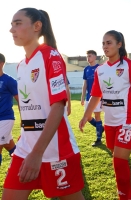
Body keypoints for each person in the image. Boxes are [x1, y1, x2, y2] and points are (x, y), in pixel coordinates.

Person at [2, 8, 85, 200]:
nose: (11, 30)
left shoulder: (51, 56)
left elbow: (58, 106)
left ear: (37, 26)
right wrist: (30, 149)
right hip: (25, 148)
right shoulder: (21, 66)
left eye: (18, 23)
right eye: (11, 24)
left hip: (56, 150)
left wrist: (37, 153)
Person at [79, 30, 131, 200]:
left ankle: (126, 197)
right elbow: (96, 95)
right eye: (103, 43)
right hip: (110, 122)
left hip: (129, 120)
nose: (105, 46)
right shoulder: (100, 70)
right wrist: (86, 116)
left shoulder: (130, 66)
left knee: (119, 161)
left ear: (119, 44)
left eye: (109, 42)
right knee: (116, 156)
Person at [81, 50, 104, 147]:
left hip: (97, 97)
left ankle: (98, 139)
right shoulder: (86, 69)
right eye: (87, 56)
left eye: (90, 56)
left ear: (95, 57)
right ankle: (100, 128)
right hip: (88, 97)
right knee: (88, 116)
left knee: (97, 116)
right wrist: (82, 97)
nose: (88, 58)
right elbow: (85, 84)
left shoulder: (100, 68)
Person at [0, 53, 18, 166]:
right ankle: (22, 163)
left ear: (1, 64)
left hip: (6, 118)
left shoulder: (9, 81)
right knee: (9, 145)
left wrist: (25, 119)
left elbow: (20, 100)